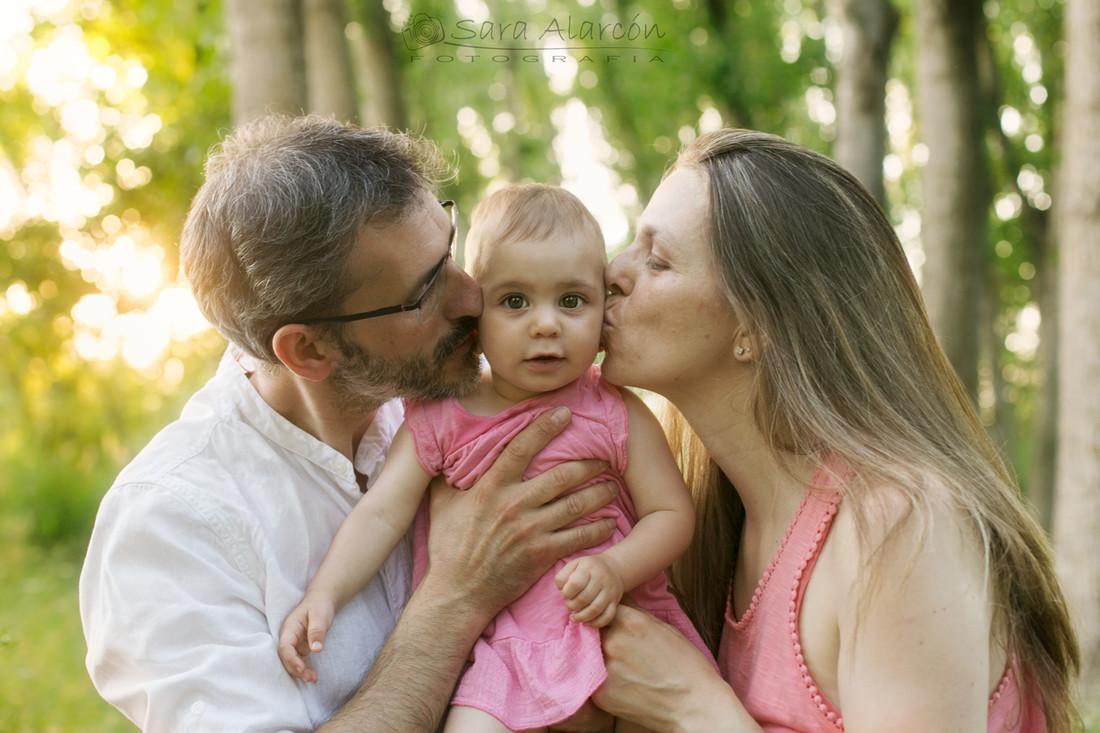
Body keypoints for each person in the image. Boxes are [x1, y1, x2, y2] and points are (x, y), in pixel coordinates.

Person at [78, 115, 620, 732]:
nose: (473, 298)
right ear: (308, 351)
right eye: (423, 292)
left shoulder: (458, 406)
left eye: (449, 247)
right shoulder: (172, 523)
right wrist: (455, 599)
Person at [591, 128, 1080, 732]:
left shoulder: (896, 527)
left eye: (657, 259)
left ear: (757, 323)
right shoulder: (693, 529)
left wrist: (693, 707)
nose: (611, 271)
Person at [278, 183, 714, 733]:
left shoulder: (613, 410)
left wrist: (614, 567)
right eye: (514, 302)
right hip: (504, 651)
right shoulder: (440, 416)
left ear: (603, 309)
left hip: (617, 629)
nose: (546, 324)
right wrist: (325, 593)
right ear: (474, 315)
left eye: (572, 300)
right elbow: (382, 512)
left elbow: (671, 515)